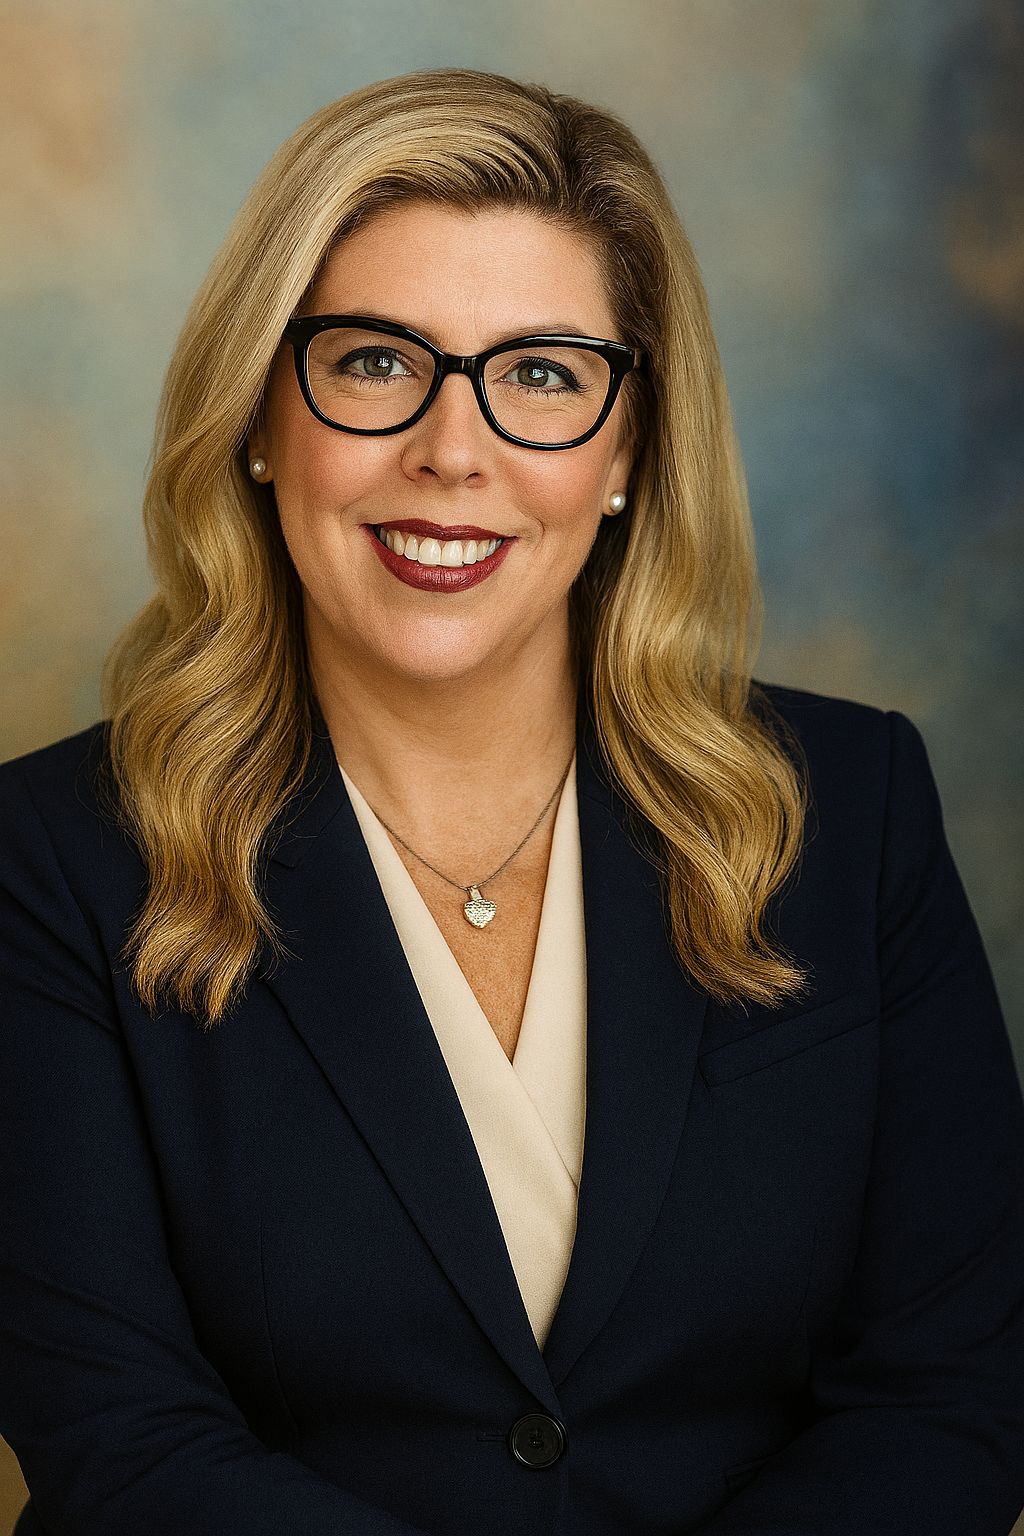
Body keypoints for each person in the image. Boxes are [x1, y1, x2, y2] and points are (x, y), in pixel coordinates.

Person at [1, 66, 1022, 1536]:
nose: (452, 451)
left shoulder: (851, 813)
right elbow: (124, 1439)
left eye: (542, 373)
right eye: (372, 362)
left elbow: (951, 1394)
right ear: (257, 416)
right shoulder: (48, 861)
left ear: (623, 453)